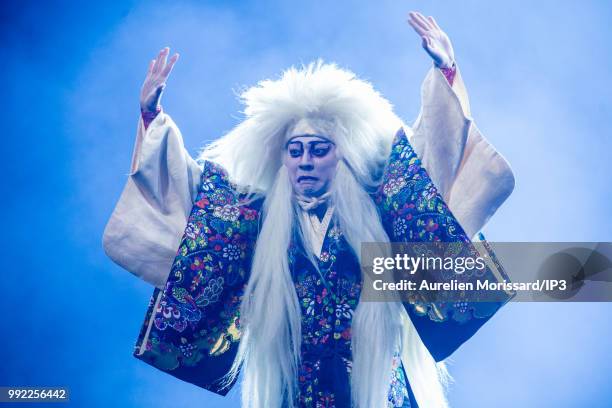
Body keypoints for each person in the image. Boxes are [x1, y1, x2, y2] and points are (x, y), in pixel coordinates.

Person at [103, 11, 515, 408]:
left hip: (374, 385)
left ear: (341, 156)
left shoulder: (379, 204)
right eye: (294, 150)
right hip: (295, 389)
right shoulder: (257, 219)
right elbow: (189, 197)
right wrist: (151, 116)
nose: (305, 160)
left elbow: (433, 163)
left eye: (319, 150)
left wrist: (446, 72)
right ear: (281, 158)